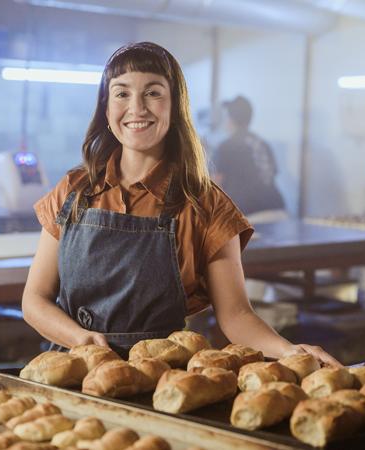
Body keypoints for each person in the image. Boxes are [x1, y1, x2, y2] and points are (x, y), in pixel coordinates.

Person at [21, 41, 340, 366]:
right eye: (122, 93)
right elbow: (35, 300)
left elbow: (236, 315)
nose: (137, 108)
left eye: (153, 93)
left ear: (175, 106)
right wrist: (82, 340)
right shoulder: (73, 191)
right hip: (73, 371)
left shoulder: (206, 205)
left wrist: (289, 351)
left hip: (159, 379)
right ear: (106, 108)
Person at [211, 96, 287, 223]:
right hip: (278, 212)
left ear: (230, 119)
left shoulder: (226, 146)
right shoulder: (263, 143)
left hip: (249, 217)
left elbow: (215, 187)